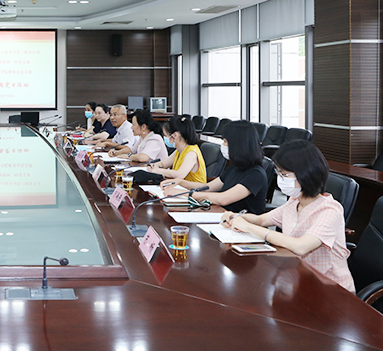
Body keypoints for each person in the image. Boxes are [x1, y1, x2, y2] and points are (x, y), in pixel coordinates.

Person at [221, 140, 354, 292]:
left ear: (306, 174)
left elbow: (300, 246)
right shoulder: (294, 201)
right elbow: (261, 220)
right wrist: (237, 218)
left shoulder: (330, 210)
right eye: (278, 173)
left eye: (284, 174)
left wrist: (249, 227)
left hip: (331, 289)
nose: (280, 178)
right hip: (300, 278)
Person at [163, 120, 267, 214]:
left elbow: (223, 199)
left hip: (242, 225)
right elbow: (208, 187)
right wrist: (180, 183)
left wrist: (184, 194)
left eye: (225, 141)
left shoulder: (256, 175)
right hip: (224, 217)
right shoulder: (235, 167)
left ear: (237, 145)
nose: (223, 145)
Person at [149, 115, 206, 183]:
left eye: (166, 135)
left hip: (193, 189)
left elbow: (179, 175)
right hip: (179, 187)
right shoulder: (179, 150)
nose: (165, 138)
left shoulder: (191, 153)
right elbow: (163, 164)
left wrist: (158, 170)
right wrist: (155, 166)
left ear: (175, 135)